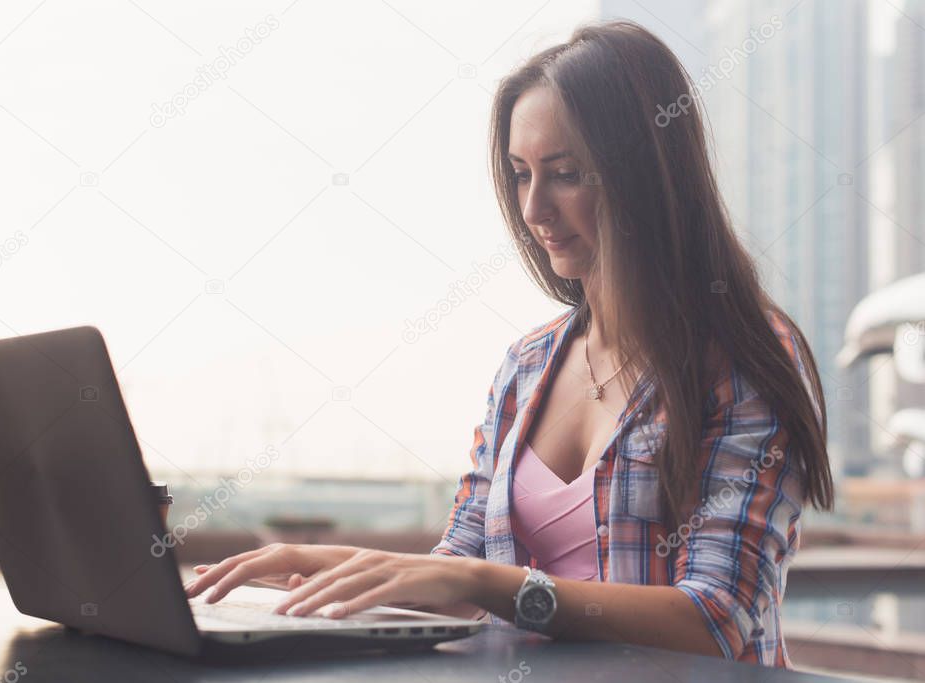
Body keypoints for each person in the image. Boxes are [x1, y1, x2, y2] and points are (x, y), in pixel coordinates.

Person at [184, 19, 834, 669]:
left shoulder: (742, 359)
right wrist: (318, 568)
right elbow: (457, 567)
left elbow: (715, 618)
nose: (532, 210)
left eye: (565, 173)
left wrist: (490, 585)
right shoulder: (527, 366)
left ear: (641, 171)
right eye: (520, 174)